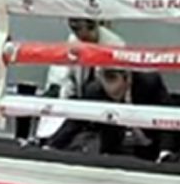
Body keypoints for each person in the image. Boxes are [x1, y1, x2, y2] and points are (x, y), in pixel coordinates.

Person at [46, 68, 178, 163]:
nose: (110, 88)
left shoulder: (149, 83)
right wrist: (51, 146)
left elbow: (166, 117)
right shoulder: (95, 91)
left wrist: (165, 151)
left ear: (127, 77)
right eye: (105, 79)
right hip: (115, 150)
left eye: (113, 78)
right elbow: (76, 120)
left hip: (151, 147)